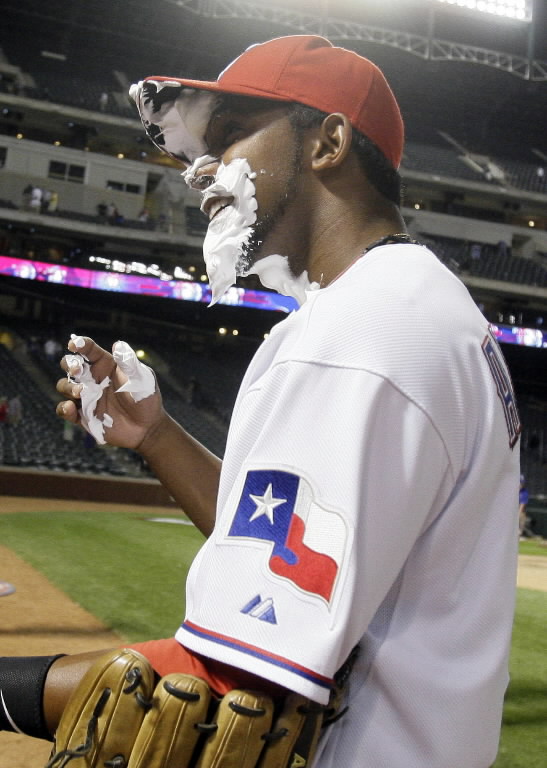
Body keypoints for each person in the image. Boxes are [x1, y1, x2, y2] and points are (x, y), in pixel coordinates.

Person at [0, 35, 521, 767]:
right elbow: (296, 552)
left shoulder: (357, 330)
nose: (200, 172)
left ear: (328, 143)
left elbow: (225, 687)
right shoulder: (418, 304)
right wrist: (158, 437)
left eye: (230, 137)